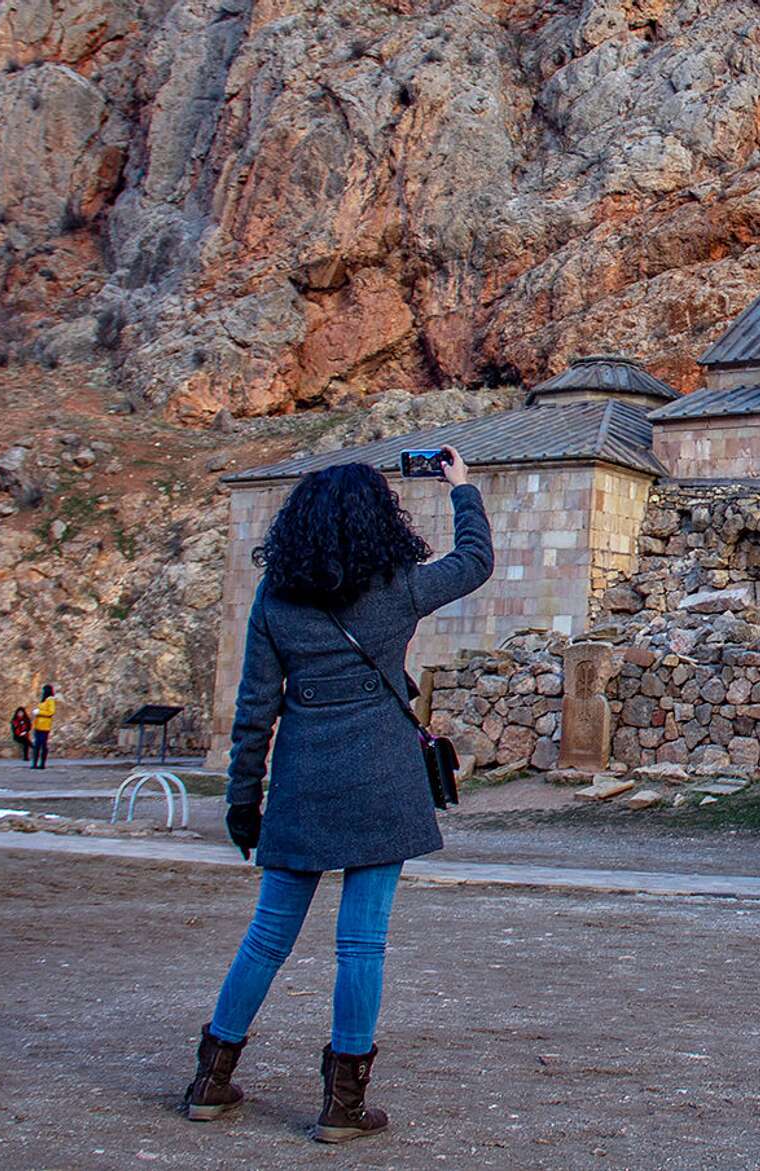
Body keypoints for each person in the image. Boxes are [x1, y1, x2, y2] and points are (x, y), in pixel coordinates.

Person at [184, 445, 491, 1143]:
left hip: (302, 781)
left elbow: (256, 705)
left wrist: (241, 799)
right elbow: (474, 562)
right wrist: (462, 489)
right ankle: (342, 1105)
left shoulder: (276, 595)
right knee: (361, 945)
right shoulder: (398, 586)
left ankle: (211, 1077)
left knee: (267, 937)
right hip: (383, 778)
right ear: (377, 520)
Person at [29, 685, 56, 769]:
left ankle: (42, 763)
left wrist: (39, 712)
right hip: (38, 725)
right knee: (37, 745)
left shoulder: (50, 700)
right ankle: (35, 763)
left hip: (45, 725)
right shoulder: (44, 700)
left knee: (42, 744)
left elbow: (51, 712)